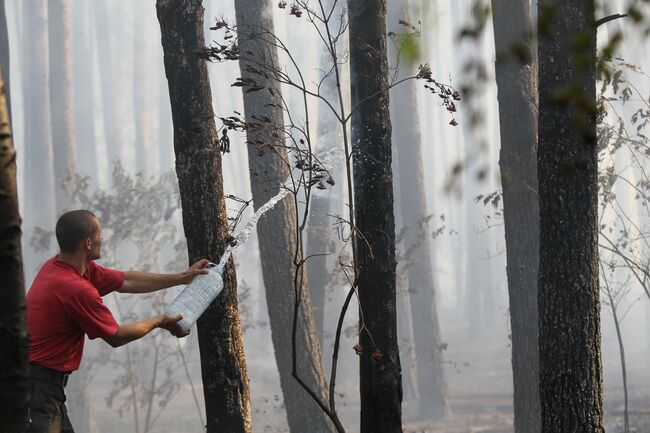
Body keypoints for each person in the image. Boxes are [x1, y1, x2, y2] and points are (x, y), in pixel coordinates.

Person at [26, 210, 209, 433]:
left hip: (43, 386)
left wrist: (181, 278)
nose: (103, 238)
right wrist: (159, 321)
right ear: (88, 243)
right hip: (36, 389)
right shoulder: (75, 289)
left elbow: (127, 280)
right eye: (100, 234)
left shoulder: (63, 267)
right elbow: (116, 336)